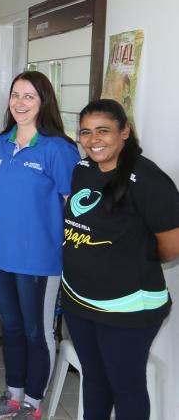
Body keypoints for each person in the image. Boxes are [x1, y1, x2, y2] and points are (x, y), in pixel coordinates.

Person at [61, 99, 179, 420]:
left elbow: (171, 246)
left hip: (127, 306)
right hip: (78, 300)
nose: (93, 140)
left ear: (124, 131)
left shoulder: (148, 179)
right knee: (93, 379)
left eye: (103, 130)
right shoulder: (82, 169)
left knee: (126, 386)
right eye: (86, 132)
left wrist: (125, 261)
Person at [0, 71, 80, 420]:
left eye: (29, 96)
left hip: (39, 258)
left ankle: (33, 405)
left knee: (37, 331)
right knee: (12, 327)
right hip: (0, 254)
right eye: (15, 95)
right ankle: (13, 396)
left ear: (43, 101)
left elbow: (72, 207)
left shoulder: (59, 149)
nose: (19, 103)